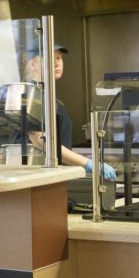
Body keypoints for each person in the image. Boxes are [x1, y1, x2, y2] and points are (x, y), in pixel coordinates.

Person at [24, 44, 117, 180]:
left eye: (59, 58)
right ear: (33, 64)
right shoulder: (33, 96)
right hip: (35, 179)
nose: (57, 63)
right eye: (50, 58)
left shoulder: (50, 98)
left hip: (51, 177)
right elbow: (40, 140)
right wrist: (88, 163)